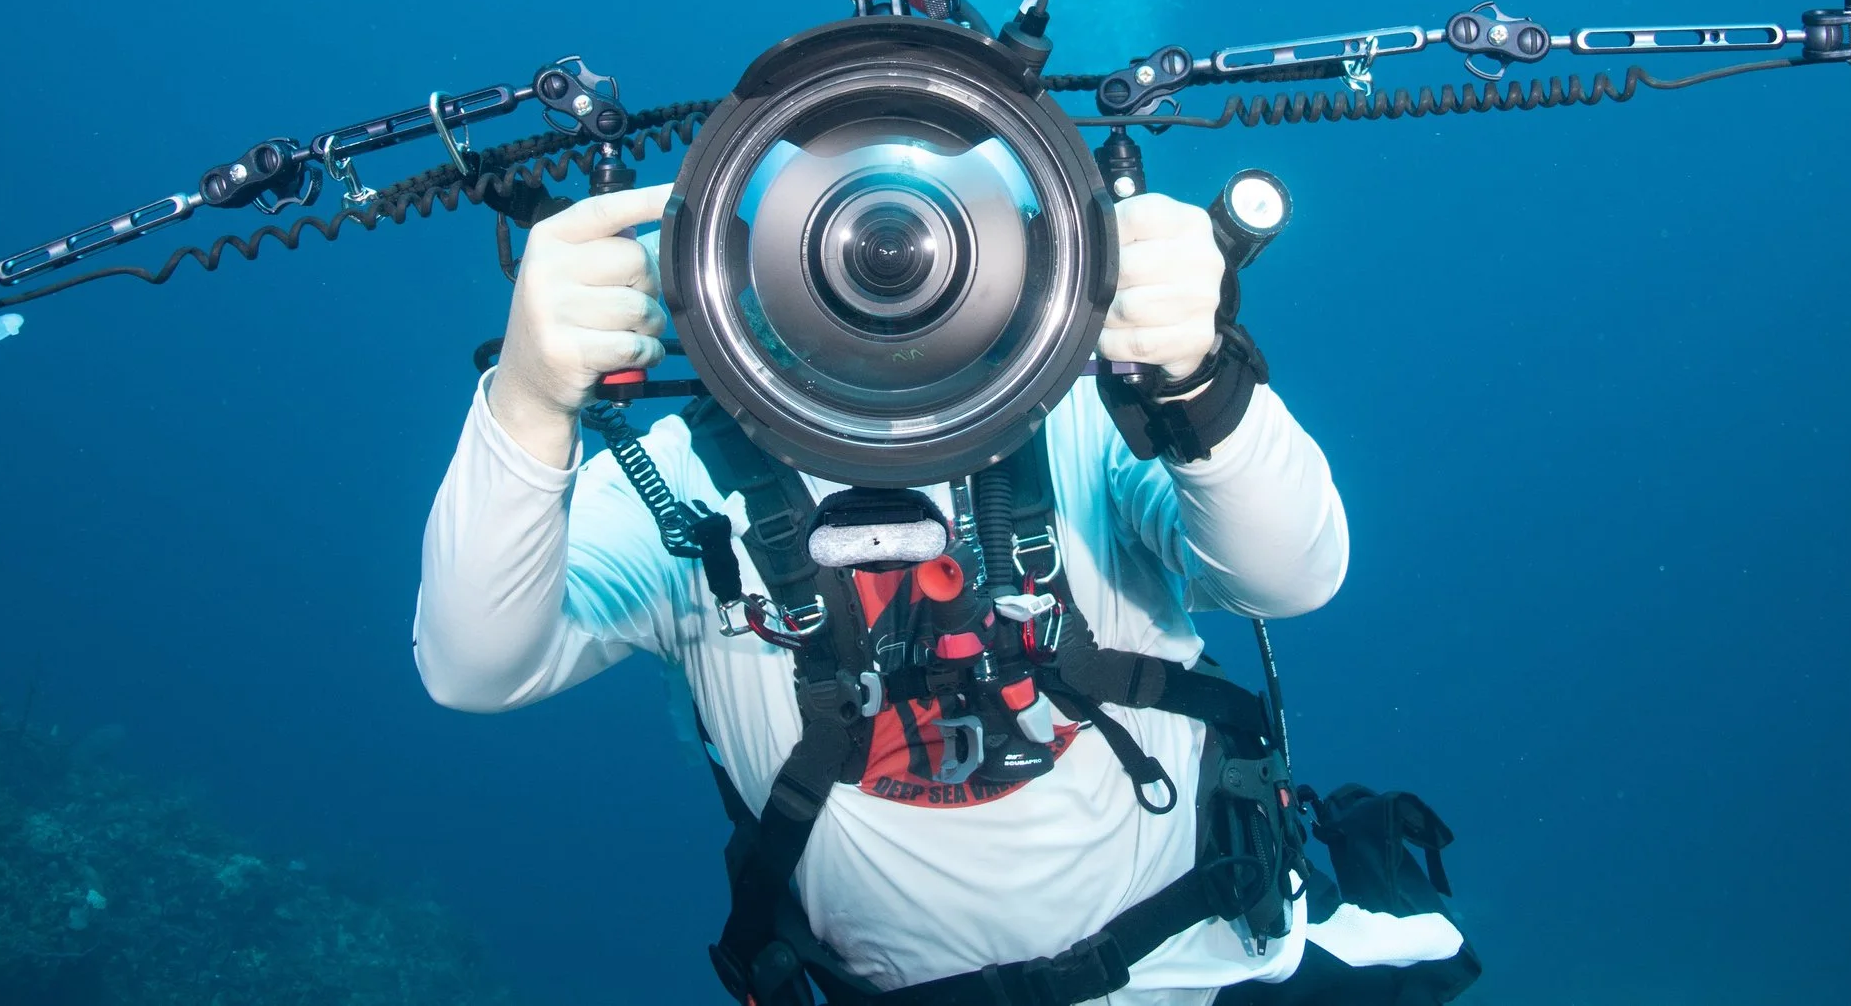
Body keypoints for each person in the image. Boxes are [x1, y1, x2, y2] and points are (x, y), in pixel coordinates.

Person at [415, 182, 1467, 1004]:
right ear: (739, 262)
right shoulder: (679, 480)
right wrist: (526, 397)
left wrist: (1195, 374)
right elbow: (473, 667)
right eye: (828, 233)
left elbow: (1292, 573)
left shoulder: (1088, 414)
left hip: (1234, 970)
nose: (882, 262)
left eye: (921, 227)